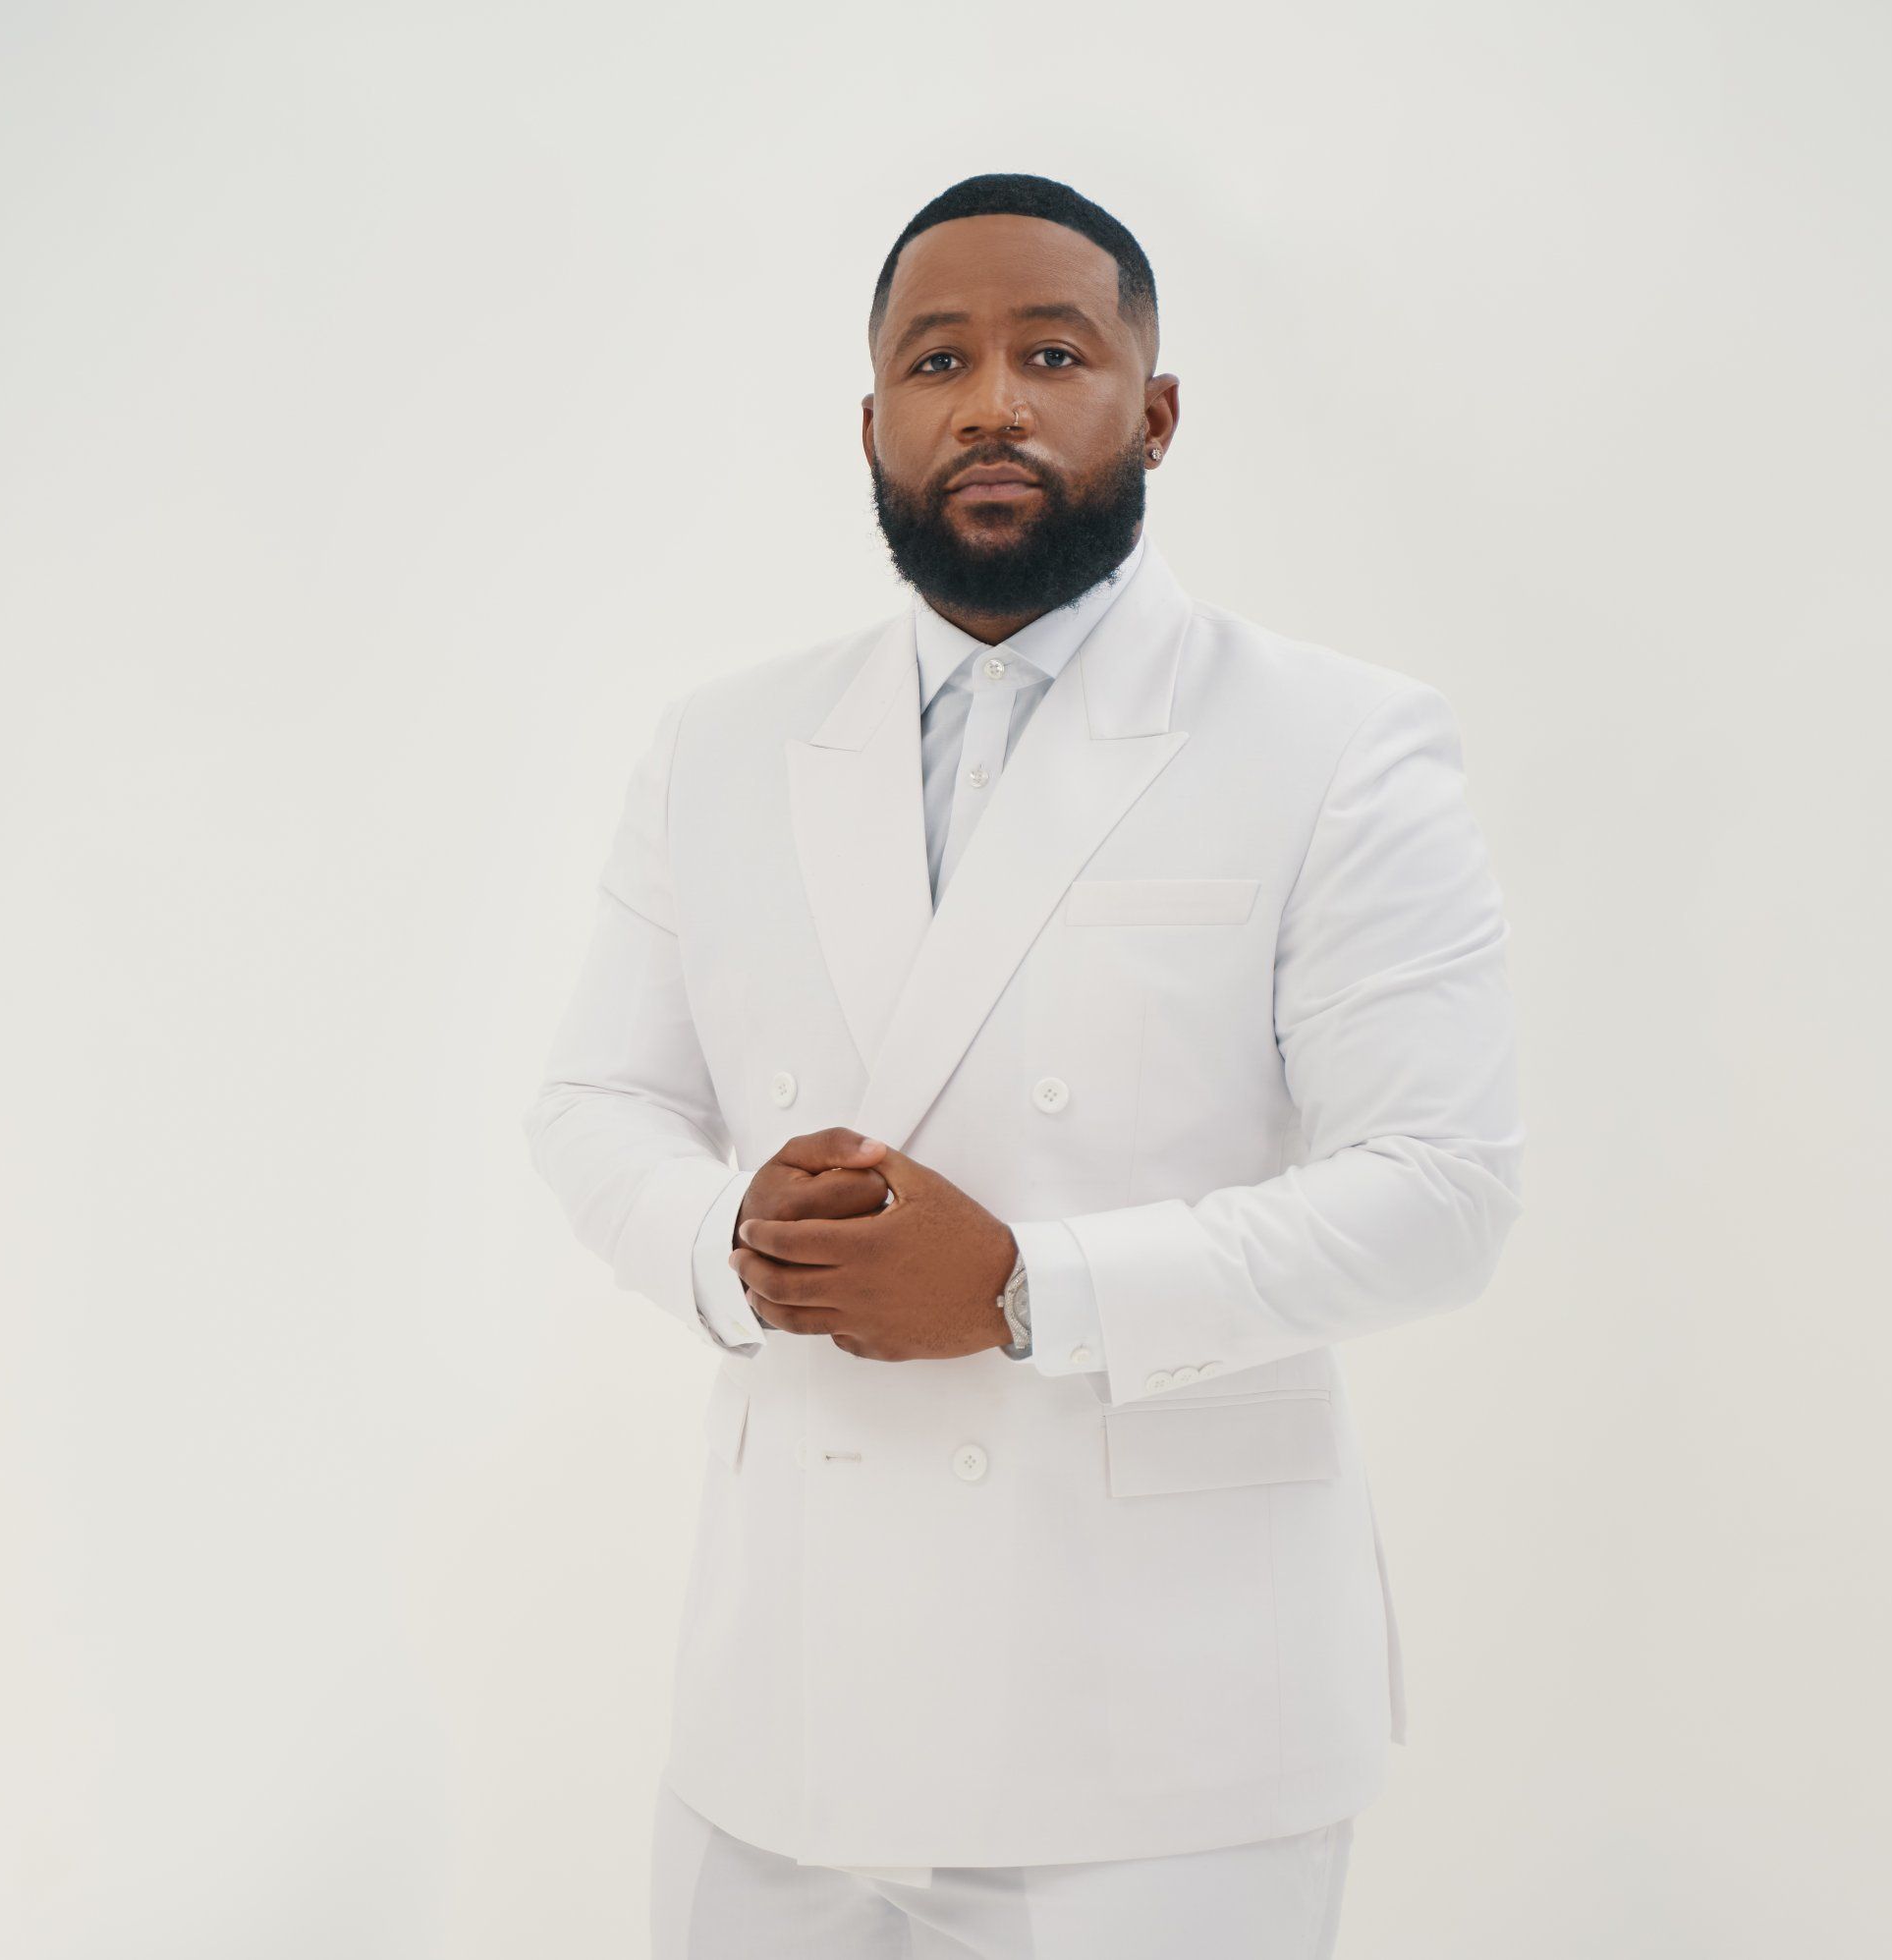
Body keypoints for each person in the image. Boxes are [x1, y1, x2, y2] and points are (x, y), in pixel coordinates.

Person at [524, 170, 1526, 1960]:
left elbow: (1438, 1195)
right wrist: (725, 1244)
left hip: (1166, 1735)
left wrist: (1020, 1290)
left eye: (1050, 351)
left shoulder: (1335, 739)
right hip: (783, 1709)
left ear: (1150, 408)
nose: (988, 398)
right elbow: (598, 1105)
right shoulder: (724, 743)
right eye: (936, 360)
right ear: (872, 424)